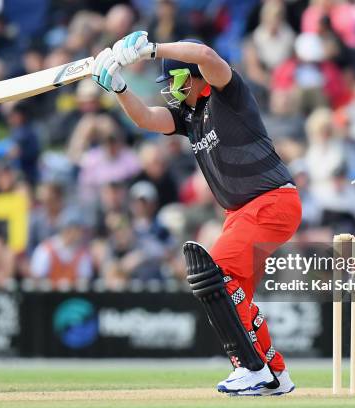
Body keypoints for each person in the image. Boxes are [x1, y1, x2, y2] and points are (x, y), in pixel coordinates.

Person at [91, 32, 301, 396]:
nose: (169, 89)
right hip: (240, 214)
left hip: (271, 202)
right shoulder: (189, 116)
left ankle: (251, 369)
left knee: (213, 273)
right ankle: (275, 374)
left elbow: (205, 53)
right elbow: (145, 119)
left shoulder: (226, 93)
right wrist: (120, 88)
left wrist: (152, 49)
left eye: (173, 79)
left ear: (190, 75)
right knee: (234, 296)